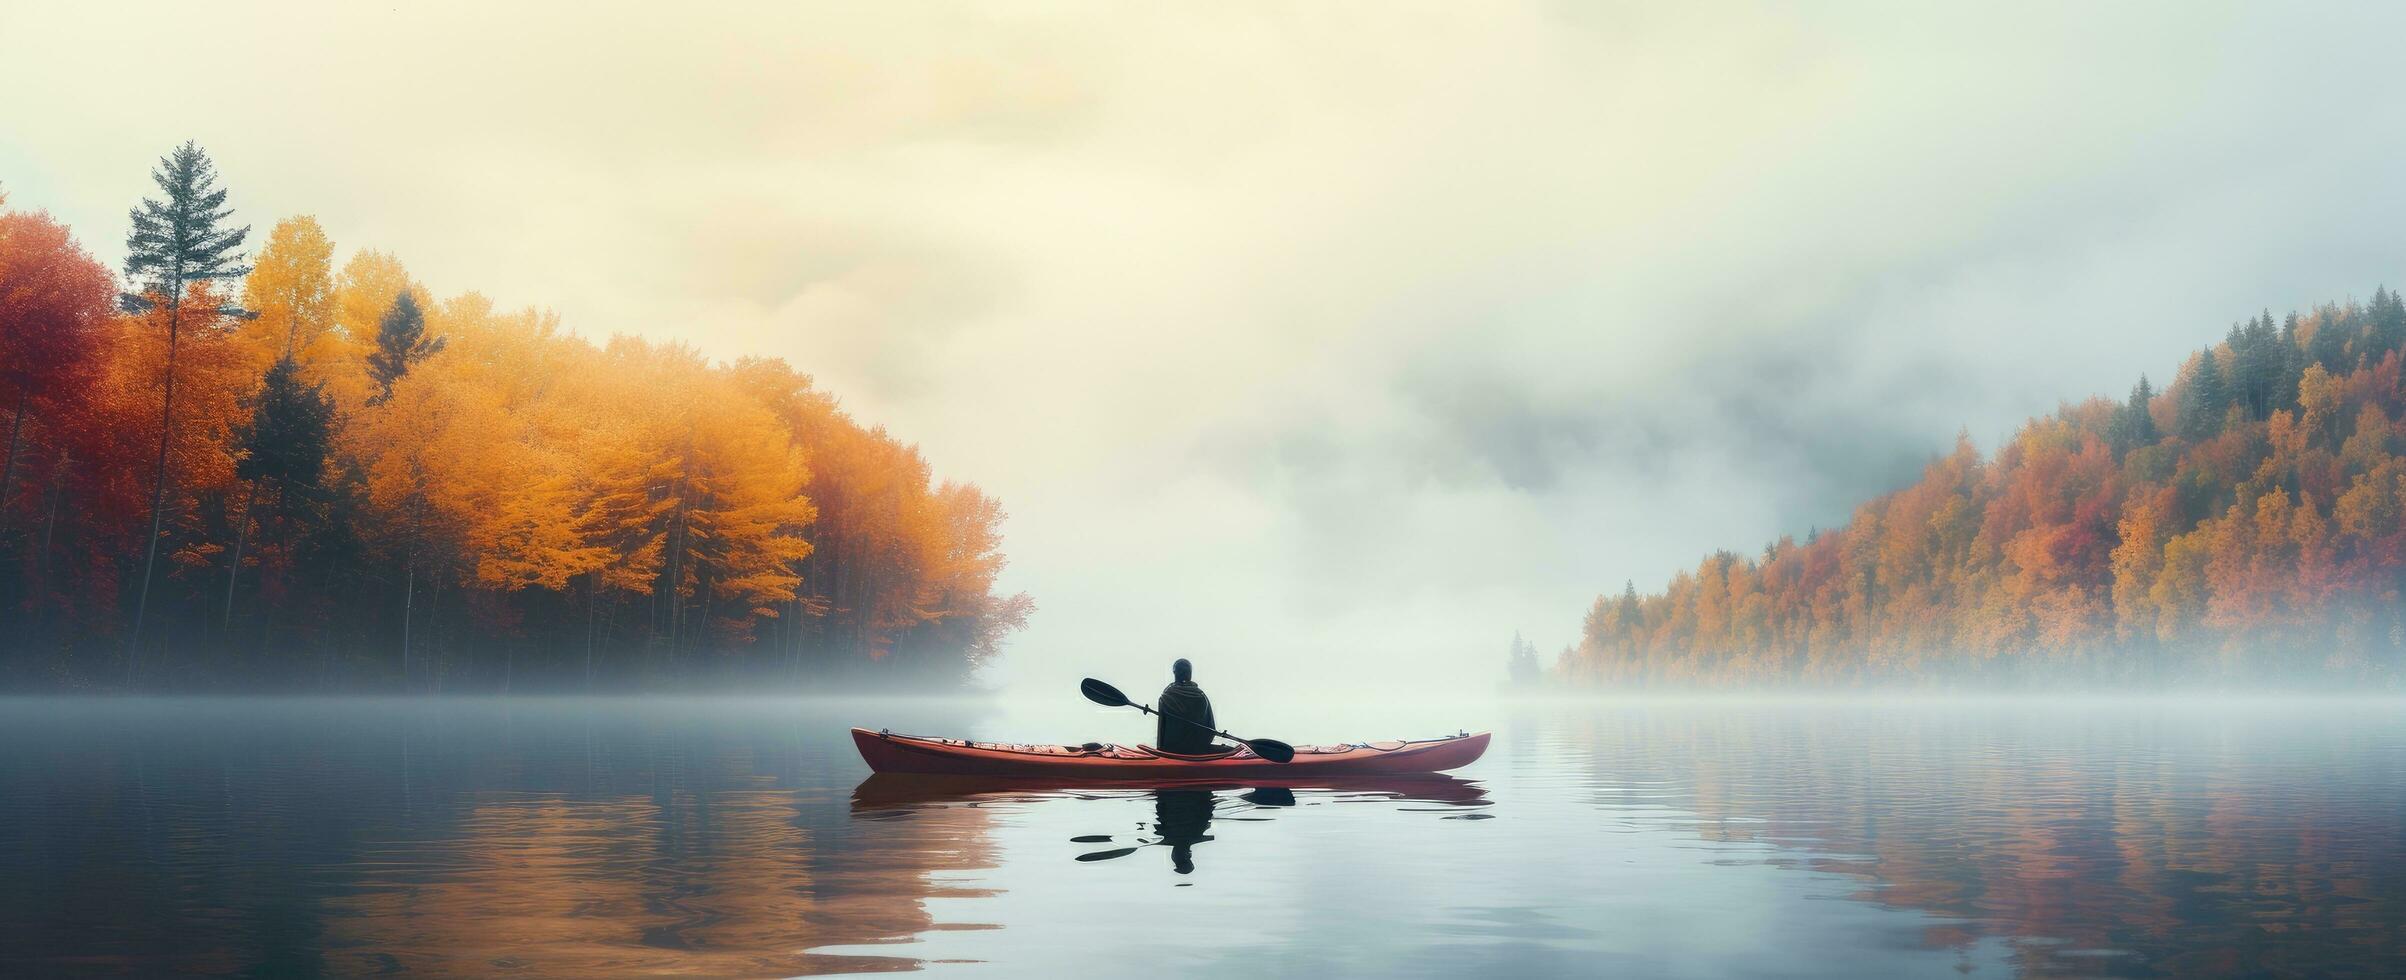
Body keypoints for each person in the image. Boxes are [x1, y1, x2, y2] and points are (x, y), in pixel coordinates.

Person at [1155, 658, 1219, 754]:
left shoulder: (1165, 698)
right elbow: (1210, 730)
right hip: (1198, 749)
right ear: (1190, 674)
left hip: (1171, 750)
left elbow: (1162, 734)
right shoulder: (1200, 696)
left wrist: (1161, 752)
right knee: (1229, 749)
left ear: (1175, 673)